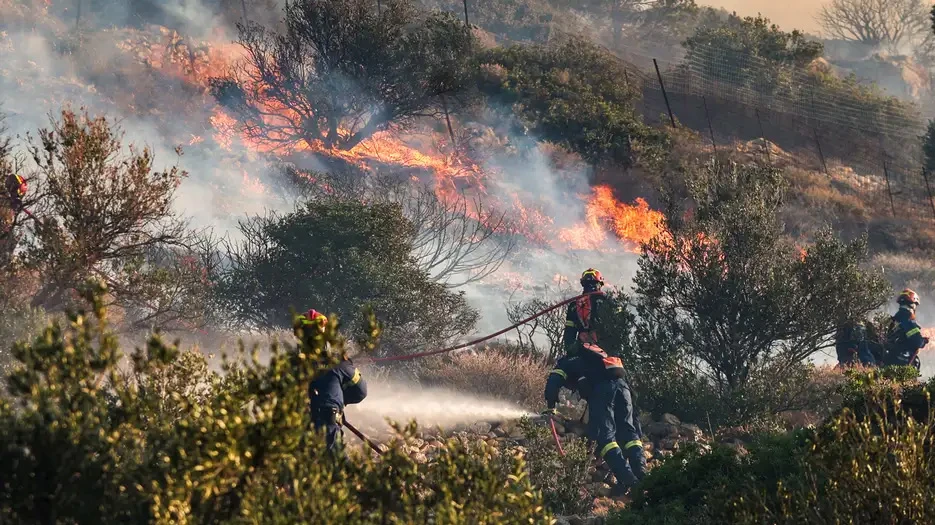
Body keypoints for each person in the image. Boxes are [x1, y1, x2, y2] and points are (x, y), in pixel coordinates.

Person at [545, 269, 646, 497]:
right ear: (600, 283)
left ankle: (631, 483)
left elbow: (554, 380)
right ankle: (644, 477)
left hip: (603, 389)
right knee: (630, 434)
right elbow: (620, 328)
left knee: (606, 438)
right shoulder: (607, 352)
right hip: (622, 384)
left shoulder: (573, 355)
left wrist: (549, 406)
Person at [294, 308, 368, 454]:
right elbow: (360, 392)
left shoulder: (288, 365)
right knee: (337, 472)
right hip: (327, 431)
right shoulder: (340, 364)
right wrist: (338, 398)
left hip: (295, 432)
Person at [883, 289, 929, 371]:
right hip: (901, 362)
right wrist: (923, 341)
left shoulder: (895, 318)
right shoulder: (908, 318)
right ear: (913, 305)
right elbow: (917, 341)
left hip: (888, 359)